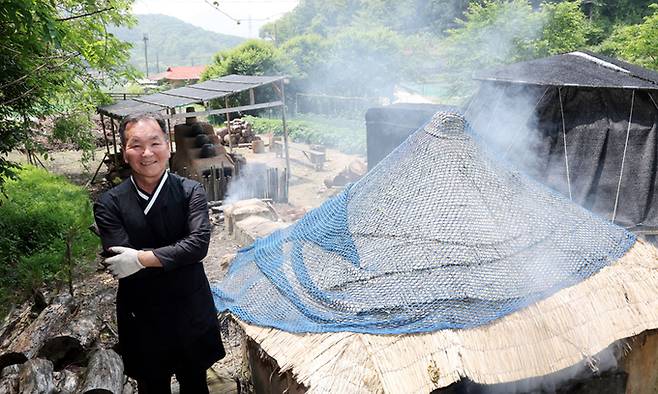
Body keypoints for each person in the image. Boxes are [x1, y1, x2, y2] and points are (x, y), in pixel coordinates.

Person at [93, 112, 224, 393]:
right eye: (136, 145)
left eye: (155, 142)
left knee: (195, 384)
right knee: (152, 386)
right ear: (125, 153)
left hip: (189, 307)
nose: (147, 153)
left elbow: (198, 245)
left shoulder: (190, 191)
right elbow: (118, 257)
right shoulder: (109, 203)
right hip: (142, 314)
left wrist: (140, 259)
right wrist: (176, 253)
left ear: (168, 146)